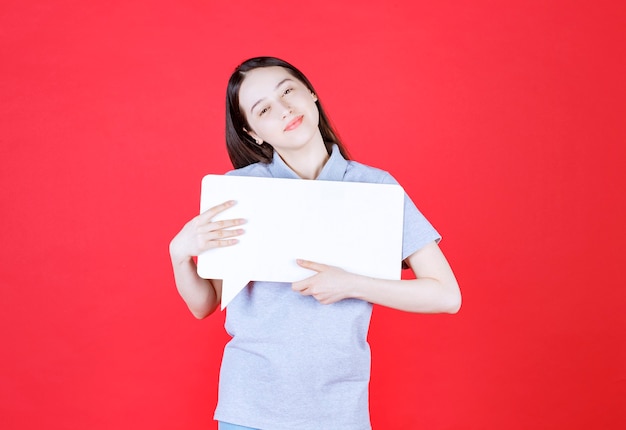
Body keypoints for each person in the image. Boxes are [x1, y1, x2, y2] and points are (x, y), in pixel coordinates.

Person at [169, 56, 461, 430]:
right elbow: (204, 304)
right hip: (249, 408)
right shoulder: (242, 190)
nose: (284, 109)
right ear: (252, 132)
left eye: (288, 90)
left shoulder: (375, 189)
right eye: (264, 109)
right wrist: (179, 255)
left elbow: (446, 295)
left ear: (311, 93)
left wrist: (351, 284)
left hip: (338, 412)